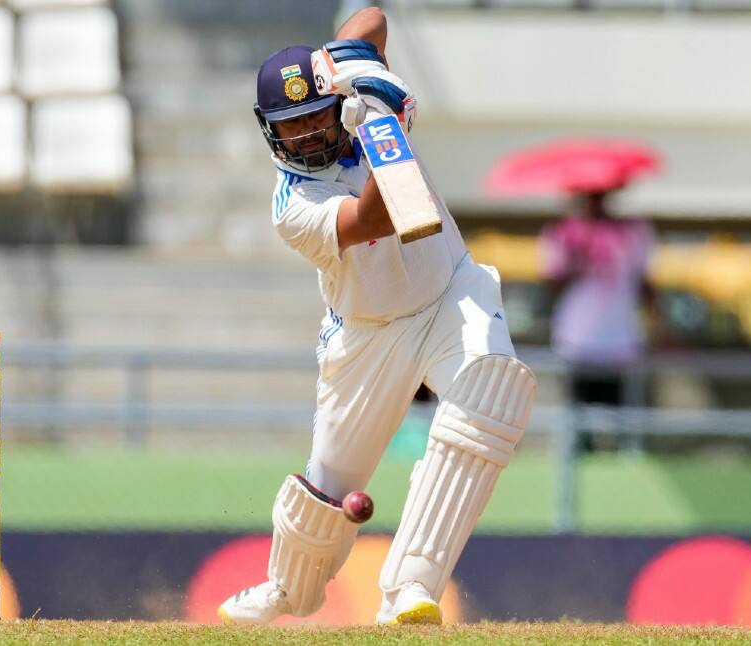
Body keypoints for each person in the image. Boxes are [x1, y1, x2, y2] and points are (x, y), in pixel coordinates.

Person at [218, 8, 537, 626]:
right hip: (366, 335)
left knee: (491, 394)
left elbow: (374, 19)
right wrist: (382, 119)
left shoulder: (357, 101)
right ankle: (286, 588)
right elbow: (381, 216)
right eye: (293, 126)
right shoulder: (294, 205)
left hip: (449, 292)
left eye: (316, 114)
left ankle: (411, 587)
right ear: (271, 133)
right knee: (329, 492)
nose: (309, 134)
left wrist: (353, 66)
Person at [539, 190, 658, 450]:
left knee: (626, 427)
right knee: (579, 428)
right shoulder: (562, 233)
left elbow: (643, 283)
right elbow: (552, 285)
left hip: (622, 344)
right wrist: (576, 259)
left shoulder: (633, 232)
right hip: (576, 343)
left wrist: (660, 329)